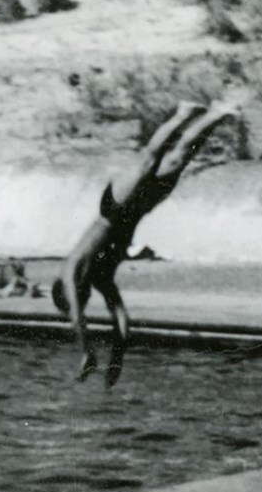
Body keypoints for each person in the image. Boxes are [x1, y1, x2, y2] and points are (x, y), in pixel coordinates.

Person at [52, 99, 243, 388]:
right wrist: (117, 358)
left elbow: (77, 319)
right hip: (136, 212)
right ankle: (216, 114)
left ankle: (182, 112)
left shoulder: (71, 269)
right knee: (180, 159)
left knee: (149, 159)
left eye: (80, 298)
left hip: (113, 207)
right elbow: (120, 317)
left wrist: (86, 352)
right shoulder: (101, 278)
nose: (85, 299)